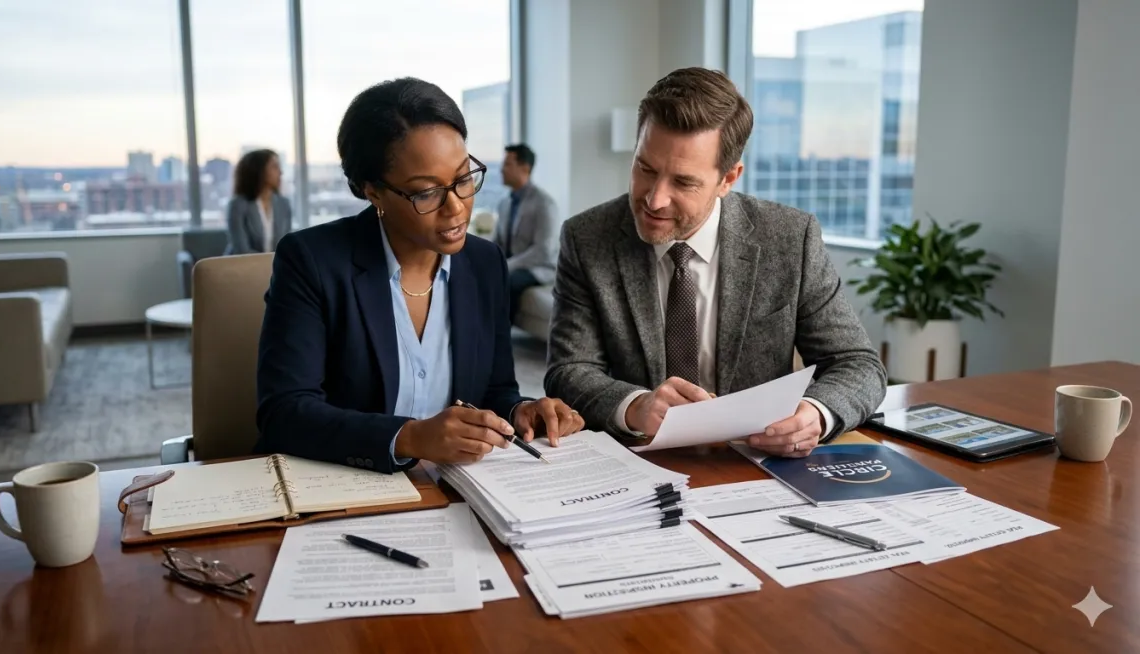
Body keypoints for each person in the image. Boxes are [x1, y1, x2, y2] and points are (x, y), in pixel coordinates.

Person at [544, 67, 887, 458]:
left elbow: (857, 364)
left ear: (729, 178)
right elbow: (568, 371)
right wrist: (636, 406)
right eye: (645, 169)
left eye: (684, 182)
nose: (654, 199)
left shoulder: (791, 238)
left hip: (753, 466)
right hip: (638, 462)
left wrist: (815, 414)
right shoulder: (587, 238)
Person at [254, 77, 584, 473]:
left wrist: (520, 411)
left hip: (455, 491)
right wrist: (408, 437)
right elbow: (284, 412)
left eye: (464, 178)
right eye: (427, 192)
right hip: (345, 486)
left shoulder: (484, 263)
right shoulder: (312, 261)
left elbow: (494, 390)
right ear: (373, 191)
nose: (458, 208)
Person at [492, 144, 560, 323]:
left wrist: (508, 265)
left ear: (525, 168)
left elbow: (543, 250)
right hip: (513, 264)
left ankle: (500, 336)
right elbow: (497, 242)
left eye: (507, 164)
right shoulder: (505, 204)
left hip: (539, 267)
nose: (501, 169)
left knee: (509, 281)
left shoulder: (544, 204)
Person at [224, 148, 291, 255]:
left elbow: (285, 245)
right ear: (259, 171)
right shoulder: (238, 205)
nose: (280, 172)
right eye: (274, 167)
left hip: (274, 267)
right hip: (242, 267)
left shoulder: (284, 204)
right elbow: (242, 250)